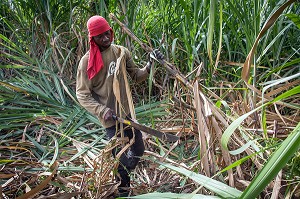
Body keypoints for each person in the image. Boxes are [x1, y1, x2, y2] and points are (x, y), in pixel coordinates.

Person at [76, 15, 163, 197]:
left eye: (107, 33)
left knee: (138, 150)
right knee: (121, 160)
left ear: (111, 31)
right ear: (93, 39)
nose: (105, 38)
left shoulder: (121, 52)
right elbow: (82, 94)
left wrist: (150, 63)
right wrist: (101, 110)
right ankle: (123, 190)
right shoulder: (86, 62)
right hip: (110, 120)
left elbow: (137, 76)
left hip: (127, 114)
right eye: (100, 36)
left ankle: (121, 173)